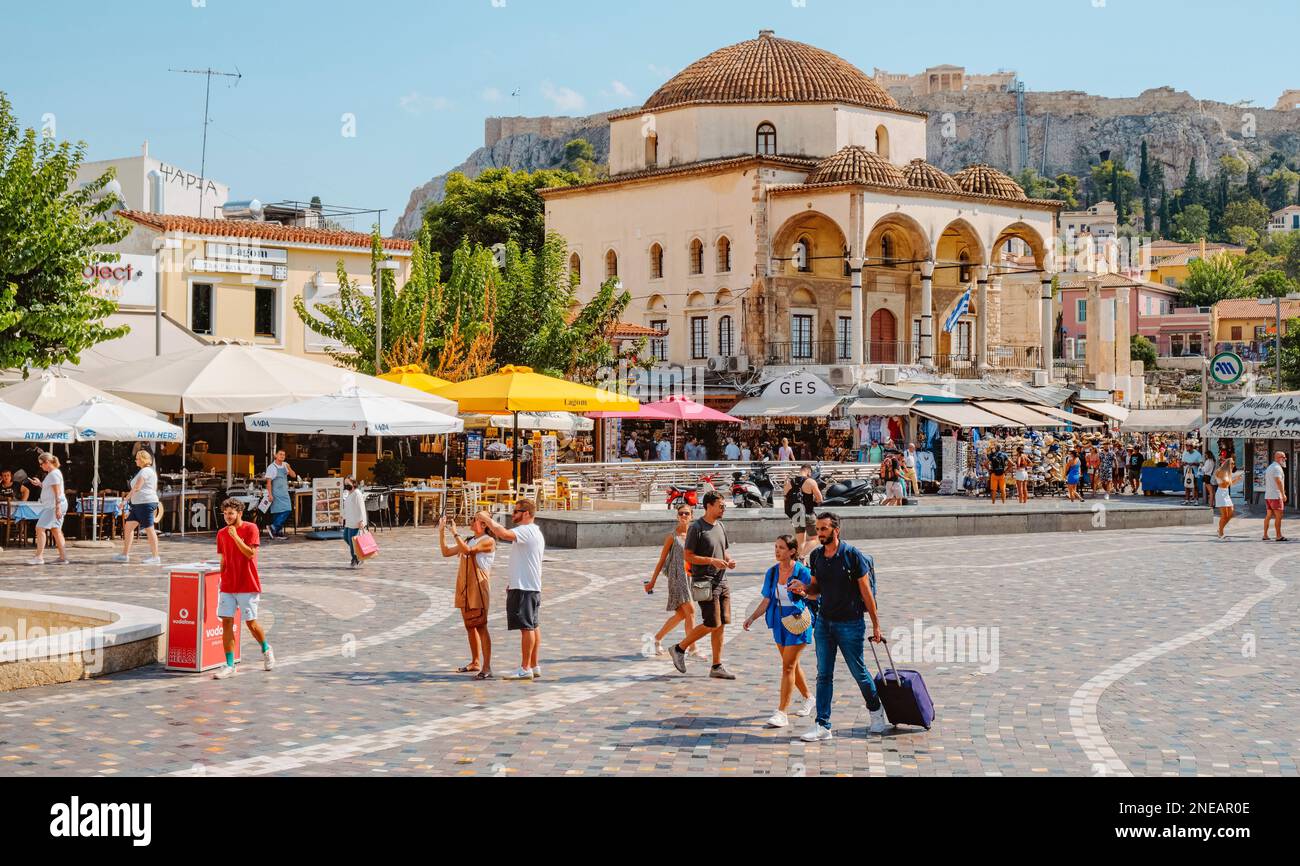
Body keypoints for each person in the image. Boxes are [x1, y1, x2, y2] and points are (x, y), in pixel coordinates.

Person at [789, 513, 889, 741]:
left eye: (824, 529)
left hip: (851, 624)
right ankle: (823, 725)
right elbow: (815, 589)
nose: (820, 533)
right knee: (824, 674)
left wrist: (876, 625)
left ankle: (875, 710)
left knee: (859, 672)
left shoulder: (852, 556)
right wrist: (802, 589)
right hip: (824, 623)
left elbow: (866, 592)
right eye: (818, 529)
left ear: (836, 530)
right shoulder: (816, 556)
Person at [742, 534, 815, 728]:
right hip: (779, 622)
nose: (777, 550)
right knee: (790, 664)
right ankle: (809, 697)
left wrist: (803, 591)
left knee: (788, 667)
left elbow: (815, 595)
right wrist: (751, 617)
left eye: (781, 547)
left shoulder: (802, 571)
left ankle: (782, 712)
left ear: (792, 551)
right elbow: (767, 600)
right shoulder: (772, 573)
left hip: (799, 622)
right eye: (775, 547)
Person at [667, 491, 737, 679]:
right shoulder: (697, 528)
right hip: (704, 582)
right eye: (720, 505)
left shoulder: (720, 526)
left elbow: (723, 551)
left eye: (724, 506)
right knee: (711, 622)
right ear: (709, 506)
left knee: (721, 624)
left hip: (722, 581)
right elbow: (688, 556)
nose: (723, 509)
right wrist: (711, 561)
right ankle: (679, 648)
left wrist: (728, 561)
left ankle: (717, 665)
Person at [480, 500, 545, 681]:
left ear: (526, 513)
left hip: (524, 587)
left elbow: (503, 533)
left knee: (526, 627)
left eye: (516, 511)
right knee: (533, 625)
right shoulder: (534, 531)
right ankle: (533, 664)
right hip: (527, 585)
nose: (513, 514)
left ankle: (525, 668)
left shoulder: (526, 530)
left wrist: (487, 519)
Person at [212, 498, 275, 678]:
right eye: (225, 514)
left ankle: (266, 649)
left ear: (239, 513)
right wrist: (220, 578)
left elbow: (250, 553)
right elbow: (223, 559)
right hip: (228, 584)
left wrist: (236, 537)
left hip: (247, 583)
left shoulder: (251, 528)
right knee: (226, 622)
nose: (227, 517)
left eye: (231, 513)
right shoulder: (221, 533)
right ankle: (229, 665)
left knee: (251, 623)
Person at [645, 506, 705, 659]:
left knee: (681, 614)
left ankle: (656, 640)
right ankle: (692, 649)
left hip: (690, 578)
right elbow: (662, 560)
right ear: (677, 516)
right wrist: (652, 581)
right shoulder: (672, 536)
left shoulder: (695, 535)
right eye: (681, 513)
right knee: (691, 611)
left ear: (692, 516)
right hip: (677, 578)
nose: (684, 515)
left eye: (687, 513)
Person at [439, 514, 495, 678]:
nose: (470, 520)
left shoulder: (488, 541)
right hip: (465, 587)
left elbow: (469, 551)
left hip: (478, 587)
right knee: (469, 626)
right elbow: (446, 552)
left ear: (484, 524)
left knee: (481, 626)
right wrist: (442, 532)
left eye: (474, 519)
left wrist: (455, 534)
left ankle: (487, 667)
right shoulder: (469, 539)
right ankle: (475, 661)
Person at [114, 450, 162, 565]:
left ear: (142, 459)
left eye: (137, 458)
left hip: (145, 504)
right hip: (139, 504)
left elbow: (137, 487)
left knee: (149, 529)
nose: (135, 460)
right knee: (128, 527)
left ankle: (156, 557)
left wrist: (125, 501)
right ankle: (125, 554)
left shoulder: (145, 471)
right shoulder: (144, 471)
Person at [27, 452, 68, 566]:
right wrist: (40, 484)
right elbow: (50, 488)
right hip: (56, 505)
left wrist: (58, 508)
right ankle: (63, 557)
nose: (40, 466)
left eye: (41, 464)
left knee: (40, 528)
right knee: (56, 530)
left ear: (47, 462)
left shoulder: (53, 474)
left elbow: (57, 492)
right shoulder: (53, 473)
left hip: (53, 506)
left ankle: (39, 557)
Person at [783, 464, 823, 558]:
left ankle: (799, 561)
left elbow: (786, 499)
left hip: (796, 516)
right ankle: (800, 556)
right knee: (816, 538)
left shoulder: (789, 483)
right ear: (808, 471)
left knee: (801, 541)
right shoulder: (811, 482)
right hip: (808, 514)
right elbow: (820, 499)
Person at [264, 449, 297, 539]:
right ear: (276, 455)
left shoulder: (285, 466)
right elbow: (269, 483)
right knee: (278, 511)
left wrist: (289, 467)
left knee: (287, 510)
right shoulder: (271, 467)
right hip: (276, 493)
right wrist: (270, 494)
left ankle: (274, 529)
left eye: (284, 455)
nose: (282, 456)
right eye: (280, 454)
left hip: (284, 493)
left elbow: (294, 475)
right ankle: (275, 530)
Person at [1214, 458, 1243, 540]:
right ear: (1227, 464)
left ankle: (1220, 529)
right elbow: (1224, 483)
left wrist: (1236, 479)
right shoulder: (1221, 471)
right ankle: (1221, 533)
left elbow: (1228, 484)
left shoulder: (1227, 472)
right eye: (1232, 463)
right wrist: (1230, 478)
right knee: (1224, 515)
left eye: (1234, 463)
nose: (1233, 465)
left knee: (1231, 514)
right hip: (1221, 494)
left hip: (1226, 494)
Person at [1262, 451, 1288, 542]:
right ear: (1277, 458)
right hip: (1276, 495)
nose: (1285, 459)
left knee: (1268, 515)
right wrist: (1283, 494)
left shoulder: (1270, 467)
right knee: (1279, 516)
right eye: (1283, 457)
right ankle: (1278, 536)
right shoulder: (1277, 468)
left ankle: (1265, 535)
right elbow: (1278, 481)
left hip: (1268, 495)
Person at [341, 477, 367, 567]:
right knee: (346, 537)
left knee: (352, 541)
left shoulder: (357, 493)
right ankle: (359, 554)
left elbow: (361, 508)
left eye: (348, 483)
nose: (346, 485)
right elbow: (347, 507)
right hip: (349, 521)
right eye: (345, 483)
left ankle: (355, 559)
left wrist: (361, 521)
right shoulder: (348, 494)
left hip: (356, 521)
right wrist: (342, 517)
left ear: (353, 483)